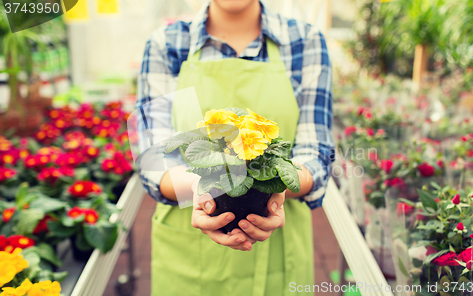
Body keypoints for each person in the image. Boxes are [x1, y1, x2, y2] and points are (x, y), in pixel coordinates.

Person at [135, 0, 334, 295]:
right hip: (189, 249)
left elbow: (316, 153)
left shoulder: (305, 42)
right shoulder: (167, 44)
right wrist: (205, 189)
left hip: (279, 243)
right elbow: (154, 159)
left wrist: (274, 189)